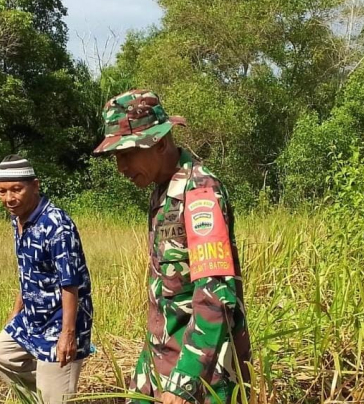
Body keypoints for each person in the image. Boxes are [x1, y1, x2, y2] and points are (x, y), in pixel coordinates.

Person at [92, 90, 251, 404]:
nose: (120, 167)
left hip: (204, 374)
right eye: (116, 156)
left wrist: (185, 382)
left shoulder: (200, 193)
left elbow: (215, 295)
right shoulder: (161, 192)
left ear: (160, 143)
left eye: (127, 154)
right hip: (160, 359)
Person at [0, 155, 93, 404]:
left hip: (61, 320)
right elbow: (26, 270)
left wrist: (68, 334)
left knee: (54, 396)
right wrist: (16, 311)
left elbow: (70, 282)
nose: (9, 198)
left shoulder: (56, 225)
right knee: (0, 354)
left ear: (35, 186)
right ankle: (50, 390)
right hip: (33, 316)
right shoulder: (18, 219)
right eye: (2, 191)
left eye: (16, 189)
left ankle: (57, 387)